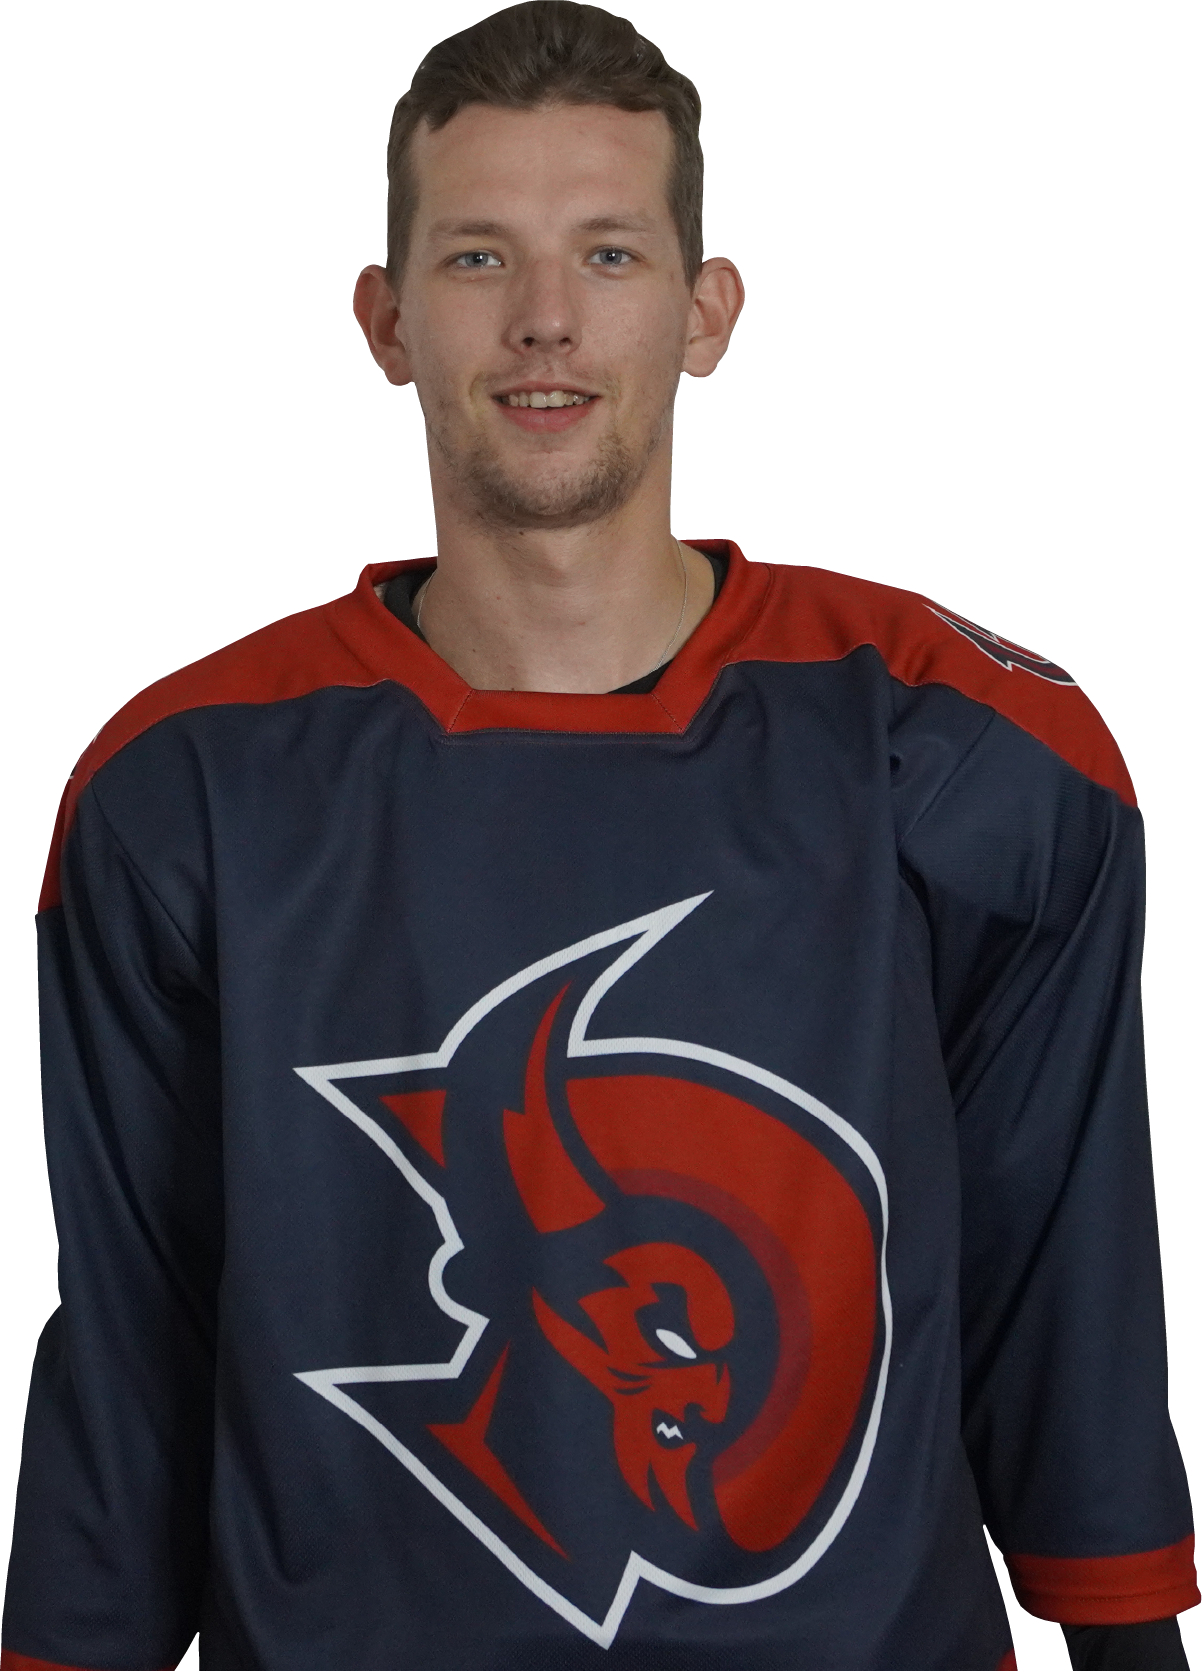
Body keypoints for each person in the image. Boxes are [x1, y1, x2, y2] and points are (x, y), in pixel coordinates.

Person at [0, 2, 1195, 1668]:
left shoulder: (960, 750)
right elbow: (136, 1337)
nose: (545, 319)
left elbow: (1056, 1266)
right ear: (387, 318)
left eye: (610, 254)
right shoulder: (184, 785)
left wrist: (1128, 1634)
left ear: (707, 312)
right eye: (478, 257)